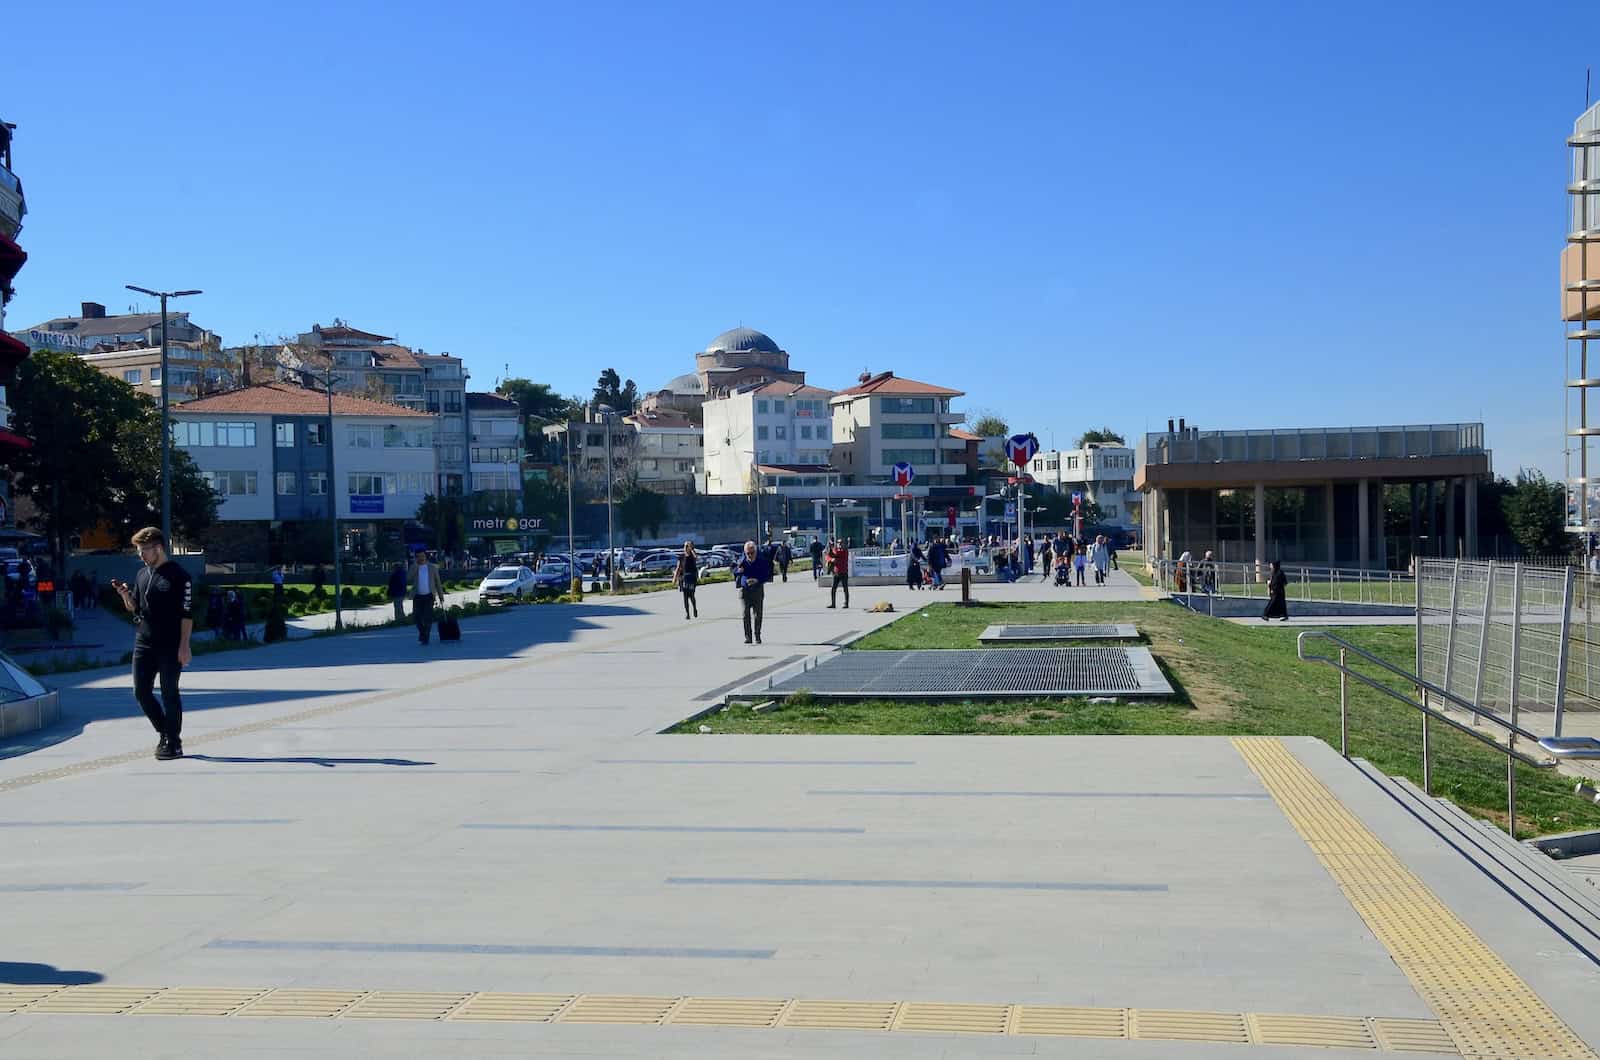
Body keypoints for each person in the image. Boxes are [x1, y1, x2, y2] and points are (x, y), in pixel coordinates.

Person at [110, 527, 192, 761]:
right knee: (141, 692)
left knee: (169, 693)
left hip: (170, 643)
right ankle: (164, 732)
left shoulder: (179, 575)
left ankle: (173, 743)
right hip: (144, 642)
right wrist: (125, 596)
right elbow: (135, 607)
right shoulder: (142, 574)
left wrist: (184, 646)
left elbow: (187, 614)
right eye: (138, 551)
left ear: (158, 548)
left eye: (143, 550)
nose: (141, 555)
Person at [734, 540, 774, 644]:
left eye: (752, 553)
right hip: (745, 591)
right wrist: (739, 571)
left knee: (758, 615)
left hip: (757, 590)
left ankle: (757, 635)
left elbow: (766, 575)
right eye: (748, 553)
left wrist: (757, 580)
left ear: (755, 552)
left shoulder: (761, 561)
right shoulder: (742, 561)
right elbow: (733, 570)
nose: (750, 555)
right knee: (745, 614)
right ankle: (748, 637)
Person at [410, 551, 445, 644]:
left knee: (427, 617)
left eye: (422, 556)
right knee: (416, 616)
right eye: (418, 556)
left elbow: (438, 582)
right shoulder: (414, 567)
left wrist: (441, 596)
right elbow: (408, 578)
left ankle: (426, 637)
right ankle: (422, 632)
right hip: (417, 595)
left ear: (426, 557)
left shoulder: (432, 567)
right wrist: (415, 567)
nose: (421, 558)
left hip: (429, 596)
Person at [673, 540, 700, 620]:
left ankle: (694, 608)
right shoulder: (681, 556)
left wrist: (691, 549)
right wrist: (675, 578)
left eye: (687, 546)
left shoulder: (693, 555)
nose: (685, 547)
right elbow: (678, 568)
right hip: (684, 578)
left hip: (692, 577)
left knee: (691, 595)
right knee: (685, 596)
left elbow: (696, 558)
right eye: (684, 546)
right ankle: (687, 614)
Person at [827, 538, 850, 609]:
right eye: (838, 543)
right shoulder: (837, 550)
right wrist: (830, 548)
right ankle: (833, 603)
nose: (839, 544)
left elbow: (834, 555)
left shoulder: (845, 551)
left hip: (843, 572)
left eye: (841, 543)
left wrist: (831, 548)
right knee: (833, 588)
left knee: (845, 588)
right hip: (836, 572)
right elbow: (829, 556)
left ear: (844, 544)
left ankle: (846, 603)